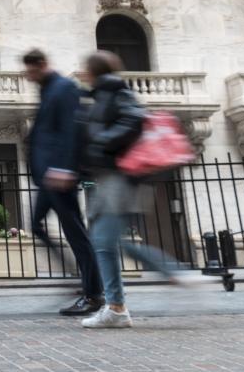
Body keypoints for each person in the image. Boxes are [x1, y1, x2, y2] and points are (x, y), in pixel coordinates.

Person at [78, 50, 208, 329]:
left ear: (94, 71)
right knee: (106, 241)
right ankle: (118, 305)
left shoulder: (115, 91)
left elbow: (134, 119)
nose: (83, 73)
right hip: (110, 176)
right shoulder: (103, 93)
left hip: (119, 176)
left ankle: (166, 279)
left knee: (105, 241)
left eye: (85, 69)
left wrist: (102, 141)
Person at [23, 49, 104, 316]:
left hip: (59, 175)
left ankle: (93, 293)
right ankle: (75, 277)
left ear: (42, 65)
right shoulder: (47, 90)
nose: (28, 76)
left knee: (77, 234)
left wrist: (66, 169)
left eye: (31, 70)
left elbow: (72, 130)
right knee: (36, 225)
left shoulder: (65, 87)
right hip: (46, 176)